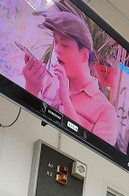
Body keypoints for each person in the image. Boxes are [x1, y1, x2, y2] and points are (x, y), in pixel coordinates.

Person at [21, 12, 117, 145]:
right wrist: (31, 87)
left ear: (84, 55)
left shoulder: (106, 112)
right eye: (55, 42)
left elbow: (93, 157)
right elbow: (25, 127)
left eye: (65, 45)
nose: (57, 50)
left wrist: (66, 100)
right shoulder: (47, 81)